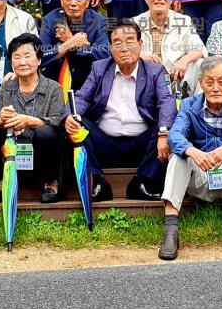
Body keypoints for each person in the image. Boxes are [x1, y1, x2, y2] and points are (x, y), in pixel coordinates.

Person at [159, 56, 222, 260]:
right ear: (200, 83)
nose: (215, 88)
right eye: (210, 82)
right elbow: (175, 135)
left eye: (221, 82)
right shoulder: (189, 105)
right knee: (178, 157)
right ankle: (170, 230)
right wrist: (192, 151)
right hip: (201, 180)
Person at [64, 21, 176, 201]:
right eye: (117, 42)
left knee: (167, 124)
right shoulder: (99, 68)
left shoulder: (155, 71)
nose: (124, 48)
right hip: (105, 144)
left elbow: (167, 101)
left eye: (130, 41)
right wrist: (70, 115)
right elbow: (82, 97)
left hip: (142, 145)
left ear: (140, 44)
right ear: (110, 47)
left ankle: (143, 182)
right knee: (77, 122)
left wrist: (163, 133)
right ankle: (97, 182)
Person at [0, 33, 65, 205]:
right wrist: (2, 119)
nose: (22, 62)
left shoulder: (53, 87)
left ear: (39, 60)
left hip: (41, 146)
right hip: (12, 143)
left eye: (27, 56)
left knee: (46, 132)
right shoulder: (6, 86)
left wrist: (29, 121)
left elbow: (56, 121)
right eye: (16, 57)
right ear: (11, 62)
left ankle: (50, 184)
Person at [132, 0, 206, 96]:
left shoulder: (184, 21)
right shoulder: (135, 22)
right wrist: (141, 56)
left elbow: (199, 49)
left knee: (200, 63)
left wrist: (184, 60)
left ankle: (195, 108)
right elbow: (122, 50)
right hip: (145, 77)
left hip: (177, 77)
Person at [39, 0, 109, 93]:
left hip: (88, 84)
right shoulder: (50, 20)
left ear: (87, 1)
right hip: (53, 85)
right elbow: (40, 57)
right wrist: (69, 44)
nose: (73, 3)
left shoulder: (98, 21)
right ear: (61, 0)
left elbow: (105, 55)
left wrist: (73, 42)